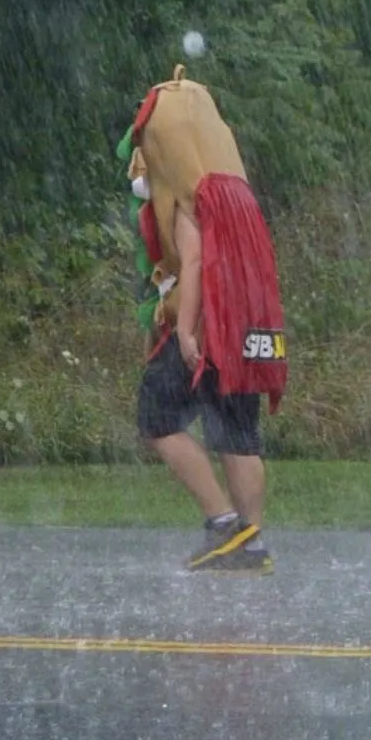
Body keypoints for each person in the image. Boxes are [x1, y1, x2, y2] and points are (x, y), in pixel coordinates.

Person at [125, 65, 288, 574]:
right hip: (249, 325)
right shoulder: (235, 193)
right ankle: (251, 542)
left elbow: (193, 261)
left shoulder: (187, 195)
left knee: (157, 415)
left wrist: (188, 329)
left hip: (211, 326)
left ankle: (222, 523)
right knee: (238, 432)